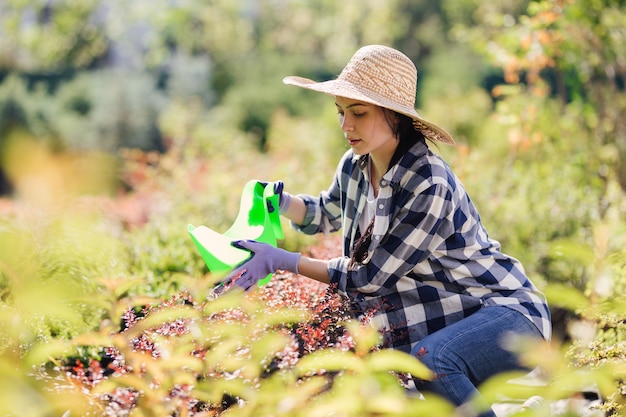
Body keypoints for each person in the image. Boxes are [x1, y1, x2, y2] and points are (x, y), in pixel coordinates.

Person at [223, 45, 552, 417]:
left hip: (507, 316)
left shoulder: (428, 182)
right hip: (450, 320)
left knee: (432, 360)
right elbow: (324, 213)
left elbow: (370, 276)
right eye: (341, 113)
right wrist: (281, 203)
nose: (346, 126)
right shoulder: (354, 166)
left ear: (395, 115)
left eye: (359, 113)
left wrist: (283, 261)